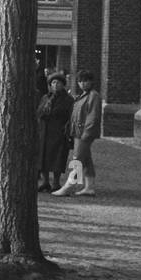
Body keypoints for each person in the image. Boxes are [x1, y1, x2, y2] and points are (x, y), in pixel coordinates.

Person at [54, 69, 102, 197]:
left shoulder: (93, 96)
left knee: (77, 160)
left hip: (84, 133)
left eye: (85, 81)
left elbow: (93, 116)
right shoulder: (83, 96)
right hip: (78, 132)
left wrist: (87, 132)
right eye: (80, 81)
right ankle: (89, 186)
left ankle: (69, 186)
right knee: (86, 159)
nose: (82, 84)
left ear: (91, 82)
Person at [37, 73, 74, 192]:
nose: (55, 85)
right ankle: (45, 181)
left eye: (58, 82)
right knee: (42, 157)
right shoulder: (45, 98)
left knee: (57, 157)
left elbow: (70, 115)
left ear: (63, 85)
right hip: (44, 131)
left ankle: (56, 182)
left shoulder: (68, 99)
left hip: (58, 131)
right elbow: (39, 112)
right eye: (53, 82)